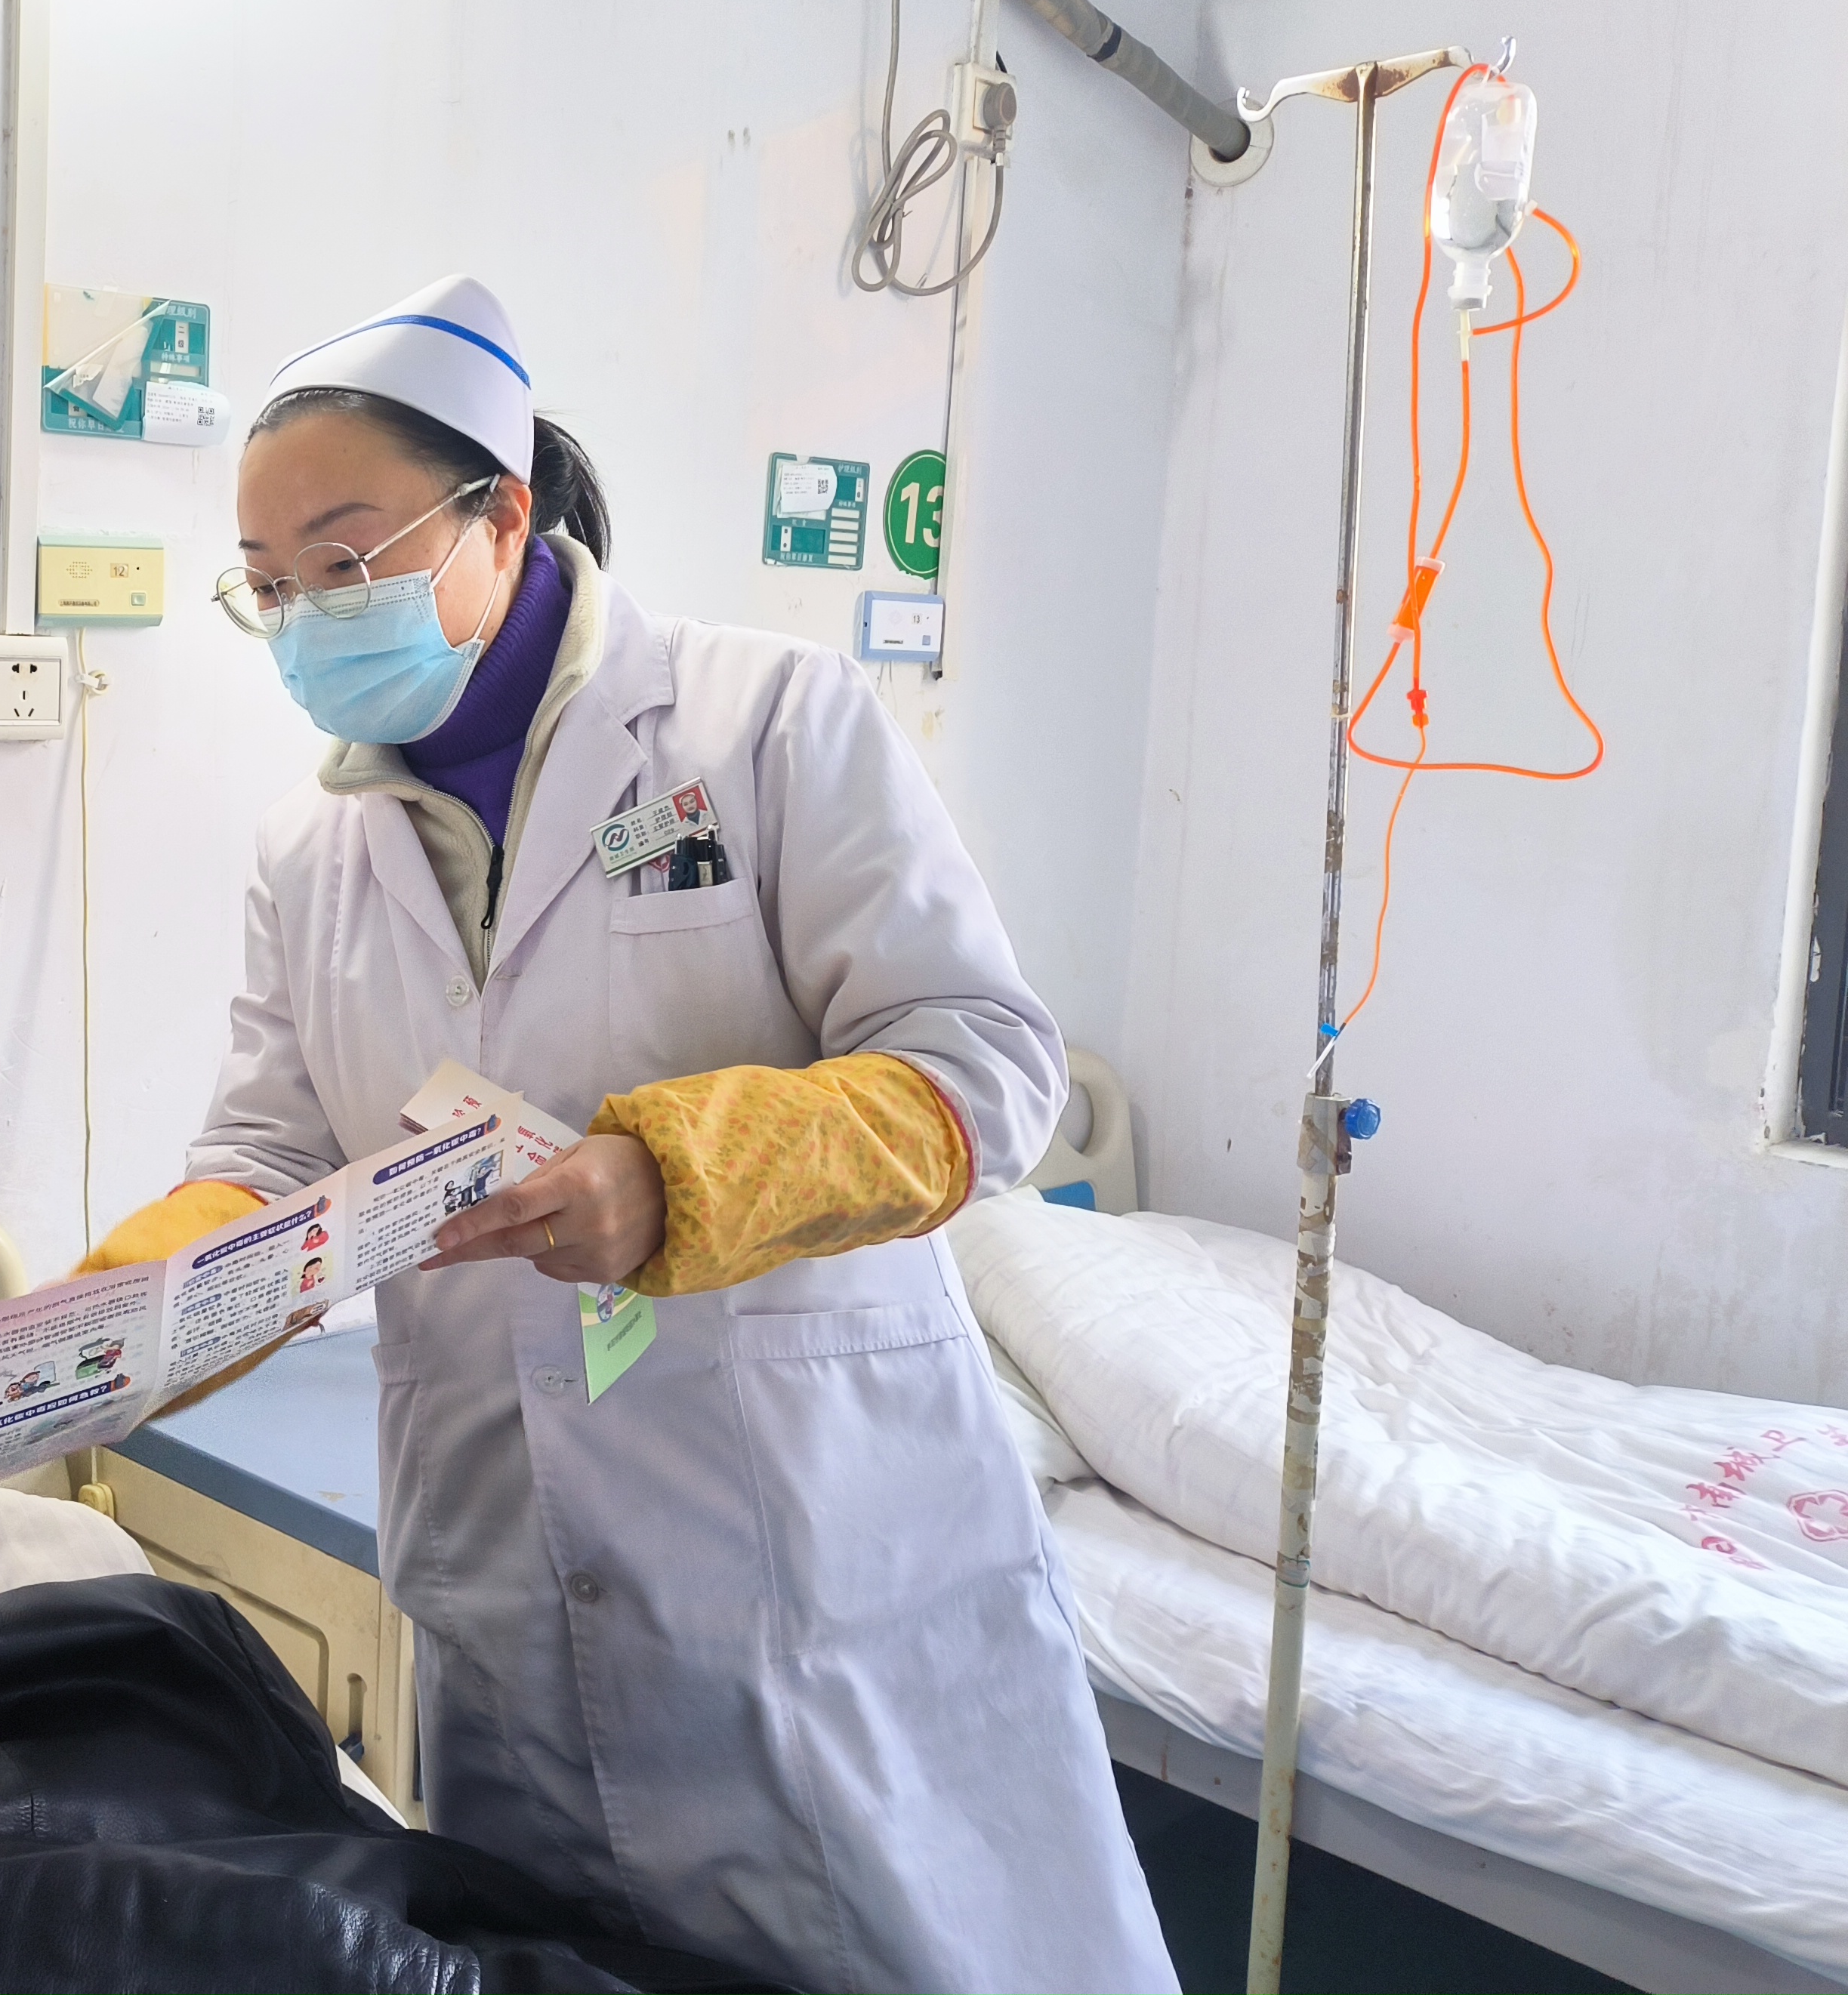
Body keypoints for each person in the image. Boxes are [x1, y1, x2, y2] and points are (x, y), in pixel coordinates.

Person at [77, 277, 1177, 1993]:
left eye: (345, 558)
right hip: (508, 1581)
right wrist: (111, 1312)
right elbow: (275, 1156)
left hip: (806, 1558)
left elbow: (979, 1066)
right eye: (271, 585)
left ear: (502, 516)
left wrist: (674, 1175)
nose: (306, 616)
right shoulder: (311, 851)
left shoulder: (766, 724)